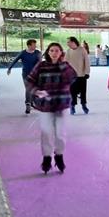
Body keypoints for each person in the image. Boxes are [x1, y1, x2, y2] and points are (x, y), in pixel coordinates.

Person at [26, 42, 76, 174]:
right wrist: (36, 91)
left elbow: (72, 78)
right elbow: (30, 80)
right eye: (52, 50)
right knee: (46, 133)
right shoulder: (41, 66)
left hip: (62, 104)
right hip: (46, 106)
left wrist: (62, 64)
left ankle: (59, 156)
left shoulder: (65, 66)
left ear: (61, 53)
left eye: (57, 51)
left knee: (60, 134)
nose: (54, 53)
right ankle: (47, 157)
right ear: (48, 52)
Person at [7, 40, 42, 114]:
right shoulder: (23, 53)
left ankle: (33, 102)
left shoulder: (37, 53)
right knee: (28, 88)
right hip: (26, 74)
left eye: (35, 45)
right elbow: (15, 60)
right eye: (34, 45)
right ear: (29, 46)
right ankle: (28, 104)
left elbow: (40, 63)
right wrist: (9, 68)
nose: (35, 46)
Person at [65, 36, 90, 115]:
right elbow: (65, 63)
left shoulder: (82, 50)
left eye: (68, 42)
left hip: (81, 75)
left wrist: (87, 72)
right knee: (72, 92)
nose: (67, 43)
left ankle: (84, 105)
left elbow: (87, 61)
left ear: (73, 42)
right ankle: (72, 106)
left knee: (83, 92)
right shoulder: (68, 51)